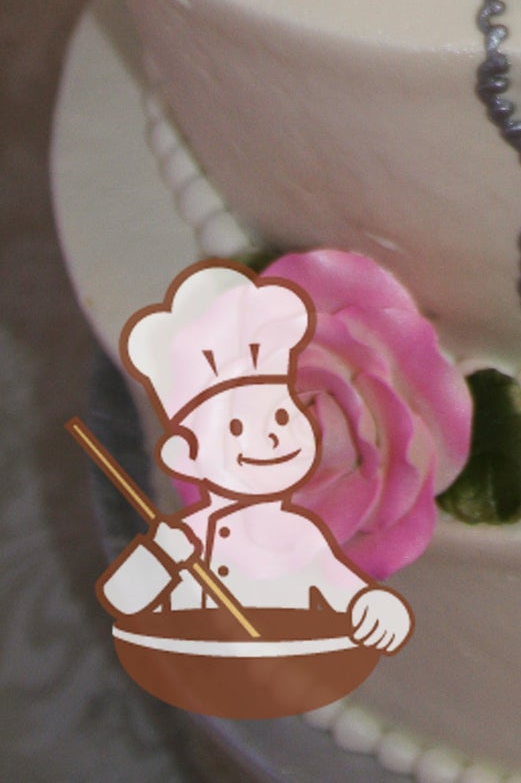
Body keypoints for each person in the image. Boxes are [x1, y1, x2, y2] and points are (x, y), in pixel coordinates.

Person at [96, 259, 412, 651]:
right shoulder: (197, 530)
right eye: (236, 429)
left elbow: (348, 588)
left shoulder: (307, 534)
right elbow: (128, 591)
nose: (275, 440)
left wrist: (378, 610)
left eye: (283, 415)